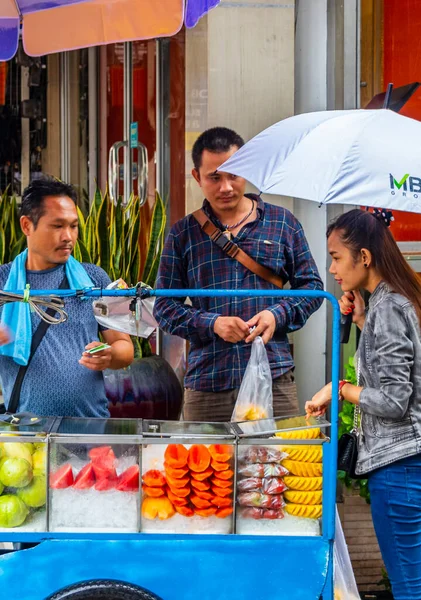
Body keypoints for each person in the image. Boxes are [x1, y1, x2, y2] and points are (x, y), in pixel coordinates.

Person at [154, 127, 323, 422]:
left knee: (278, 463)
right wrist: (212, 323)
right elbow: (164, 307)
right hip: (208, 382)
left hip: (274, 375)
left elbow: (311, 288)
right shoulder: (183, 234)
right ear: (197, 177)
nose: (226, 187)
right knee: (204, 466)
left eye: (234, 174)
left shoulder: (283, 223)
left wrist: (276, 314)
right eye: (214, 177)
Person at [305, 209, 421, 600]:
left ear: (365, 257)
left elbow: (392, 399)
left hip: (399, 468)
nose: (333, 269)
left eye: (337, 257)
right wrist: (360, 320)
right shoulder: (392, 302)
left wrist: (339, 388)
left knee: (410, 586)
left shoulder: (389, 308)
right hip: (408, 463)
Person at [0, 177, 134, 417]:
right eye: (57, 226)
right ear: (26, 225)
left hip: (91, 426)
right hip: (25, 432)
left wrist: (109, 354)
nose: (68, 237)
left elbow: (125, 349)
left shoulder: (94, 278)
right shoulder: (3, 283)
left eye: (73, 226)